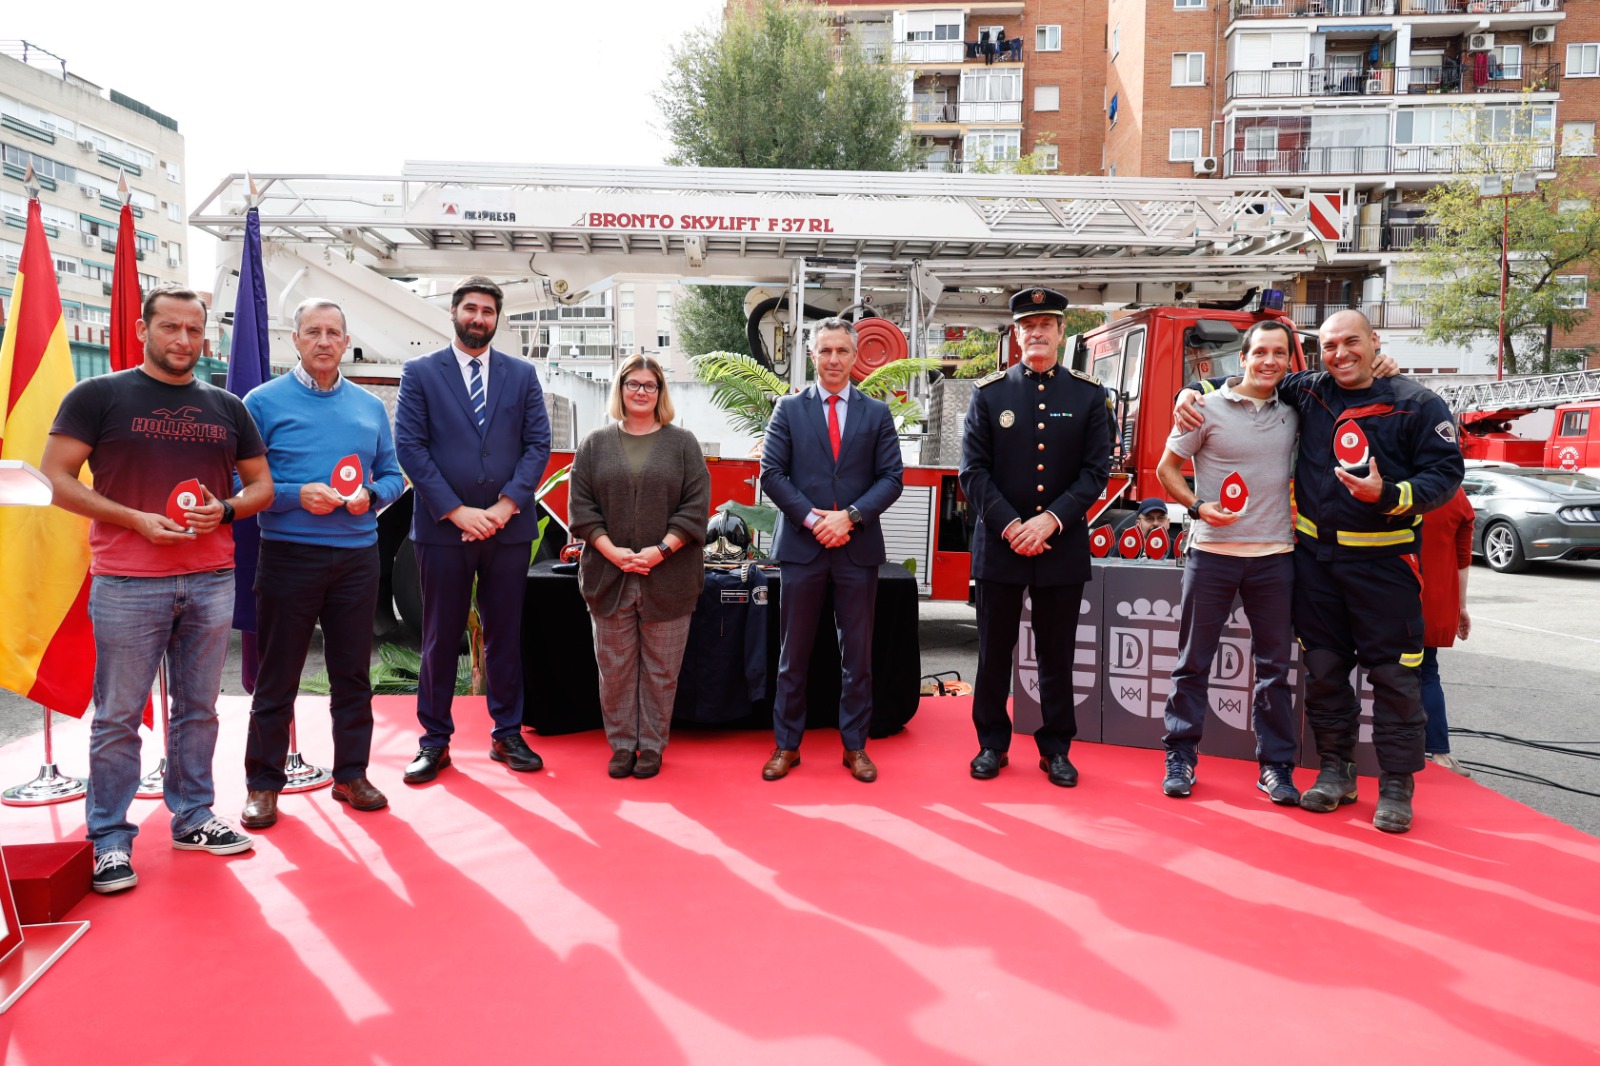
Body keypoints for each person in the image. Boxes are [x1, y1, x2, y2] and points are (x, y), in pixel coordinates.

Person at [1175, 310, 1463, 833]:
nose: (1340, 354)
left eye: (1352, 342)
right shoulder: (1309, 390)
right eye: (1330, 346)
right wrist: (1192, 391)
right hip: (1317, 567)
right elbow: (1251, 379)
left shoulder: (1418, 402)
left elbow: (1445, 473)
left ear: (1375, 342)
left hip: (1385, 566)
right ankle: (1336, 771)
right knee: (1326, 674)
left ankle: (1396, 785)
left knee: (1394, 677)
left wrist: (1390, 493)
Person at [41, 286, 274, 894]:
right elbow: (55, 479)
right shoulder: (98, 395)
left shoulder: (227, 406)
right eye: (170, 327)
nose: (183, 340)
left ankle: (193, 816)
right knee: (118, 715)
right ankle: (110, 839)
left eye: (194, 329)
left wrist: (226, 509)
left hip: (210, 578)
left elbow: (261, 487)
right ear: (143, 330)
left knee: (199, 709)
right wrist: (134, 520)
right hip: (127, 580)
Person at [238, 299, 407, 828]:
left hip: (357, 557)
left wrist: (372, 496)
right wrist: (295, 495)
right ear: (295, 340)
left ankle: (351, 774)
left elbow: (394, 475)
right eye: (313, 331)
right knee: (277, 675)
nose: (324, 341)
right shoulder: (261, 402)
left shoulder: (369, 406)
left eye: (334, 332)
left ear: (347, 342)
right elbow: (241, 483)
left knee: (353, 674)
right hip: (288, 555)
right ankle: (264, 784)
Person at [394, 276, 552, 784]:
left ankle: (507, 734)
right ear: (454, 312)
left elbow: (538, 445)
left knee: (505, 635)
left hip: (509, 530)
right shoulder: (420, 373)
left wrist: (504, 508)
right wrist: (457, 511)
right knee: (440, 638)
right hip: (444, 530)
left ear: (497, 319)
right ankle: (434, 741)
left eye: (487, 311)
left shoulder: (521, 375)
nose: (479, 318)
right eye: (471, 309)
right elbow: (410, 447)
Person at [959, 287, 1112, 786]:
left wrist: (1051, 520)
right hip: (1000, 546)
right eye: (1028, 326)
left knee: (1057, 654)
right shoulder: (989, 394)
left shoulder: (1088, 395)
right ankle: (991, 744)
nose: (1037, 333)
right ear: (1016, 334)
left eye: (1046, 324)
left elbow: (1095, 472)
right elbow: (973, 472)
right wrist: (1011, 525)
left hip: (1060, 545)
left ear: (1062, 331)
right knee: (993, 653)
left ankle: (1056, 748)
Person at [1154, 320, 1300, 805]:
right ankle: (1180, 756)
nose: (1269, 361)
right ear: (1243, 358)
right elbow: (1166, 469)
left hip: (1275, 557)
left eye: (1279, 353)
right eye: (1260, 352)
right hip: (1212, 554)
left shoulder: (1295, 410)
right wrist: (1198, 507)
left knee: (1274, 670)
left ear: (1288, 360)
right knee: (1192, 662)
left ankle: (1276, 767)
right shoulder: (1204, 408)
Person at [760, 317, 904, 782]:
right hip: (802, 548)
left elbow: (892, 478)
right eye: (825, 351)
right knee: (792, 656)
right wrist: (814, 519)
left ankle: (855, 746)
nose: (834, 359)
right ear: (812, 356)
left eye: (842, 350)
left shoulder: (876, 413)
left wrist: (850, 517)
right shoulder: (788, 409)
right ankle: (786, 745)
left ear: (855, 355)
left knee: (857, 657)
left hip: (856, 550)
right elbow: (772, 474)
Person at [567, 355, 710, 779]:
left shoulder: (683, 444)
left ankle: (651, 746)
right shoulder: (594, 444)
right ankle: (622, 745)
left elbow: (695, 508)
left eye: (650, 385)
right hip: (607, 575)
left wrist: (659, 551)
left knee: (662, 672)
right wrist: (612, 552)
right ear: (621, 388)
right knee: (615, 671)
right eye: (633, 384)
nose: (641, 392)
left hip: (670, 577)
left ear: (660, 392)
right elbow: (581, 508)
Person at [1419, 487, 1475, 777]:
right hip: (1433, 601)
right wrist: (1461, 607)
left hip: (1388, 595)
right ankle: (1440, 754)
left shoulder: (1392, 484)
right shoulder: (1455, 494)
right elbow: (1462, 559)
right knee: (1427, 672)